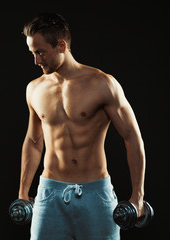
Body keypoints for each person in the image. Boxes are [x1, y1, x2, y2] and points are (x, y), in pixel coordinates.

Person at [18, 12, 145, 240]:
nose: (36, 61)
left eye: (40, 52)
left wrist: (138, 195)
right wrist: (23, 192)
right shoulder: (34, 89)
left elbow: (132, 137)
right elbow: (34, 141)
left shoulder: (102, 84)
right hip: (49, 195)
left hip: (95, 196)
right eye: (32, 53)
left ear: (61, 45)